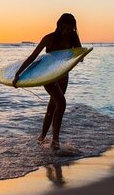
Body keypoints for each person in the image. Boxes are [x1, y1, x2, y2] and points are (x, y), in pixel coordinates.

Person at [12, 13, 82, 151]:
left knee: (52, 107)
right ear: (59, 25)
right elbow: (33, 57)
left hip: (63, 75)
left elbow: (78, 54)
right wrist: (18, 74)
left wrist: (80, 57)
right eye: (65, 27)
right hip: (48, 76)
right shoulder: (49, 38)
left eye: (70, 28)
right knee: (61, 103)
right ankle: (55, 140)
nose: (67, 31)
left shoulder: (73, 37)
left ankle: (42, 137)